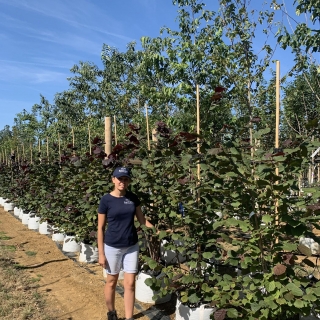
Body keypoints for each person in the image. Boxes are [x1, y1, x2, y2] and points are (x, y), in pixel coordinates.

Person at [97, 167, 155, 320]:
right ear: (113, 179)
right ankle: (111, 312)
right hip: (112, 247)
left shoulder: (132, 198)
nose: (122, 182)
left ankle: (129, 318)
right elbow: (100, 228)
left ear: (129, 181)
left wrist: (157, 231)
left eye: (125, 179)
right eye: (119, 178)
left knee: (130, 284)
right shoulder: (106, 200)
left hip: (131, 246)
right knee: (111, 281)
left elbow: (142, 220)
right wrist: (101, 253)